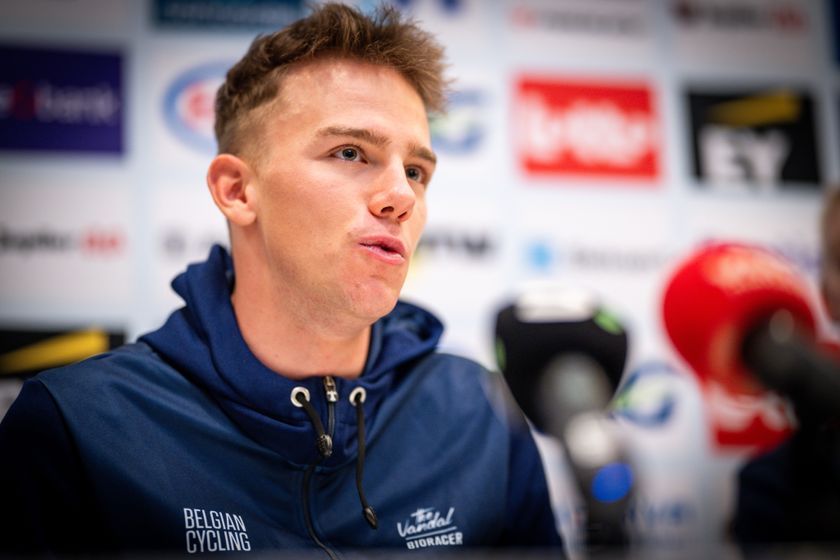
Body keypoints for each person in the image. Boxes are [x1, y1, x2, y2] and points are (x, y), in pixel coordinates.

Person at [0, 3, 562, 556]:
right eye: (351, 152)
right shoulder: (79, 427)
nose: (401, 197)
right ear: (237, 191)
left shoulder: (482, 413)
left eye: (416, 171)